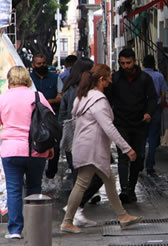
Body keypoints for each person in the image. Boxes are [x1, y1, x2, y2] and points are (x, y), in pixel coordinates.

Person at [61, 63, 143, 233]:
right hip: (94, 148)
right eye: (108, 79)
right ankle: (67, 221)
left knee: (107, 181)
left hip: (83, 145)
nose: (110, 82)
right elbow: (109, 127)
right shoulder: (98, 100)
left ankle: (122, 216)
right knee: (84, 183)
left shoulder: (81, 97)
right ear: (101, 79)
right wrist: (127, 148)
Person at [0, 66, 54, 240]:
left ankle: (15, 229)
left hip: (11, 150)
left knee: (14, 190)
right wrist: (50, 147)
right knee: (34, 187)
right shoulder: (37, 96)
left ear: (9, 80)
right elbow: (50, 122)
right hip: (36, 150)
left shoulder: (3, 98)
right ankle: (34, 228)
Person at [106, 48, 156, 204]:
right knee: (124, 155)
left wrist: (149, 113)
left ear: (134, 61)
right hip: (121, 122)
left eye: (128, 63)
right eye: (122, 63)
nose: (125, 66)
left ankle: (132, 188)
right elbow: (108, 99)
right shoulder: (115, 79)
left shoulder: (145, 79)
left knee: (138, 156)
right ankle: (125, 189)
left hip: (139, 123)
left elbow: (152, 98)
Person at [59, 57, 99, 227]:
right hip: (81, 139)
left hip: (73, 139)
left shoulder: (69, 90)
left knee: (83, 177)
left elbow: (62, 117)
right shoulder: (79, 92)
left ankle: (76, 209)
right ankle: (74, 210)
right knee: (89, 176)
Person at [30, 53, 64, 182]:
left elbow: (60, 96)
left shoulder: (55, 78)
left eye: (44, 63)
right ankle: (36, 174)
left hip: (52, 117)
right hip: (34, 118)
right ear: (33, 65)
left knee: (54, 145)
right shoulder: (29, 79)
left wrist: (46, 102)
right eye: (39, 64)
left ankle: (51, 172)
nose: (42, 66)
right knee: (36, 145)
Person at [142, 54, 168, 177]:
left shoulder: (140, 76)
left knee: (141, 138)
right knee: (153, 138)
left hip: (142, 109)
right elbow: (163, 94)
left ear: (142, 64)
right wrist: (163, 106)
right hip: (156, 109)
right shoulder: (159, 76)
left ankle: (139, 164)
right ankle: (150, 165)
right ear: (154, 64)